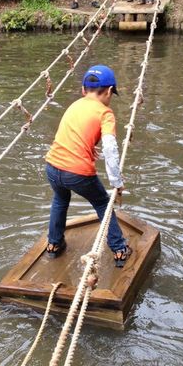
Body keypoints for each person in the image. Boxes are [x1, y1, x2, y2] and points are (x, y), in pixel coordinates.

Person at [44, 65, 133, 268]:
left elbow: (70, 134)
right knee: (103, 203)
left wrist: (89, 147)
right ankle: (120, 250)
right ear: (109, 91)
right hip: (77, 173)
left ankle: (54, 245)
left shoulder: (75, 105)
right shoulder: (106, 113)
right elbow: (110, 150)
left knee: (60, 198)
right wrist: (117, 183)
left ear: (84, 90)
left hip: (52, 166)